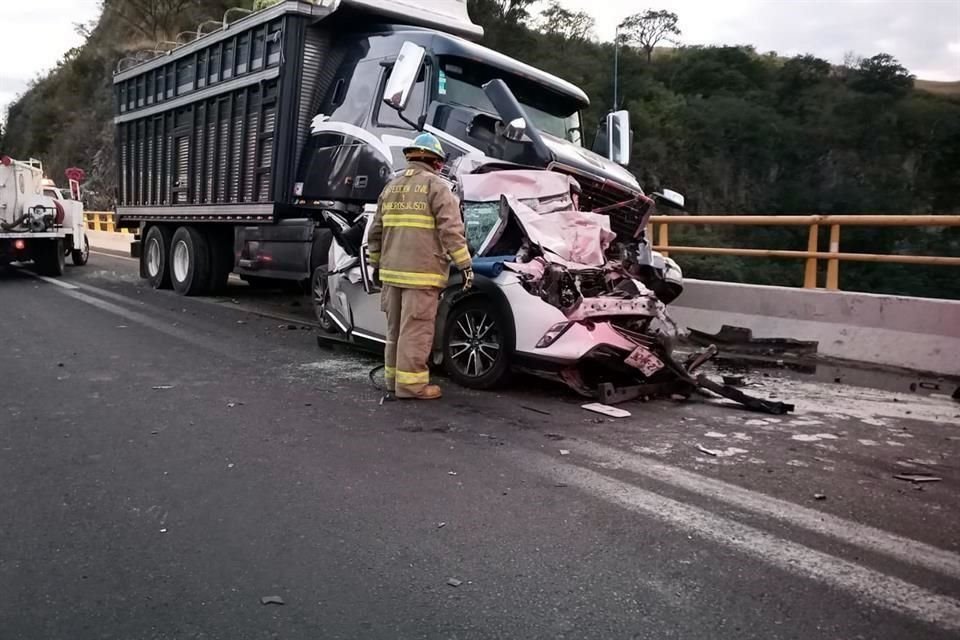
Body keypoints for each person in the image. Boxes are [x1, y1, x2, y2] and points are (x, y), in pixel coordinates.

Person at [367, 133, 473, 400]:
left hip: (391, 273)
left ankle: (393, 380)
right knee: (415, 331)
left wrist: (375, 265)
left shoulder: (391, 188)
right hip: (421, 273)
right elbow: (451, 230)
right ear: (436, 162)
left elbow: (375, 232)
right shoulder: (436, 187)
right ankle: (412, 386)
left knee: (395, 331)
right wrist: (465, 265)